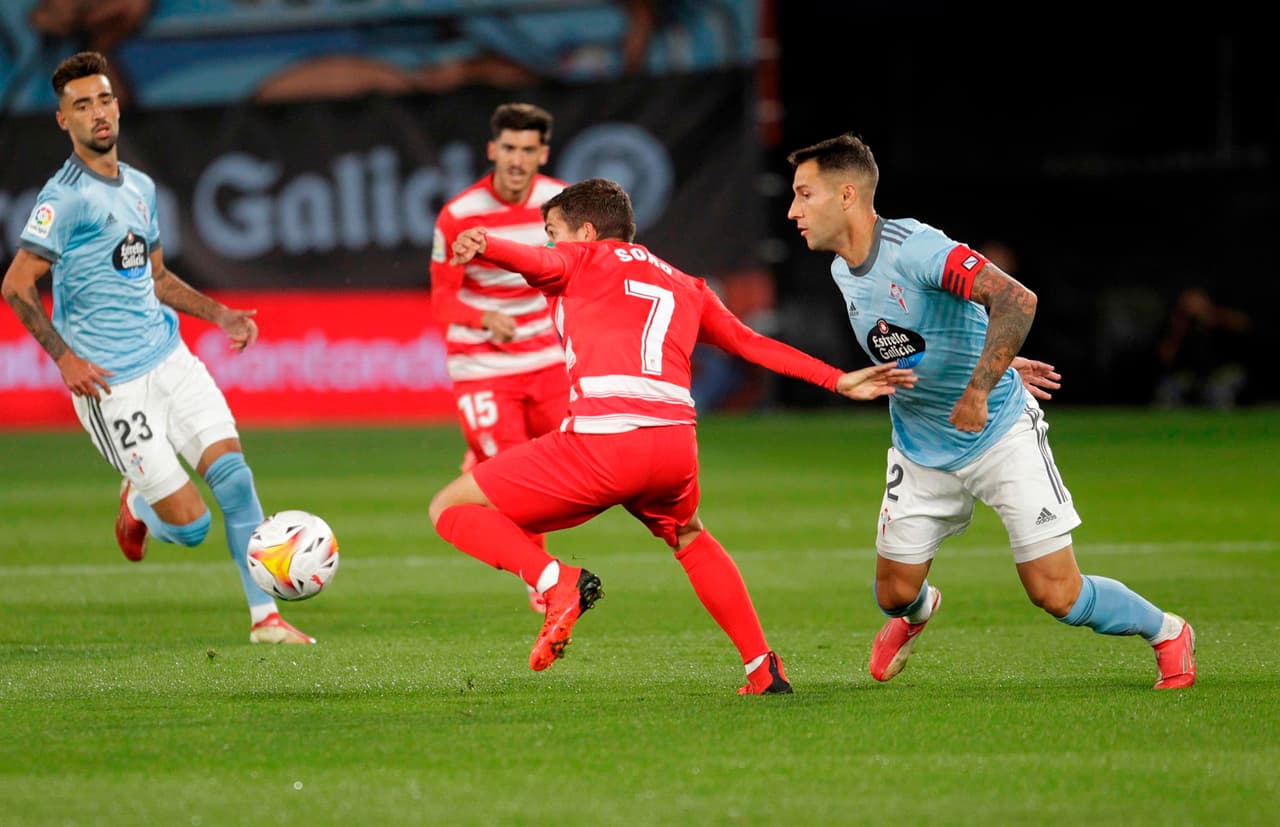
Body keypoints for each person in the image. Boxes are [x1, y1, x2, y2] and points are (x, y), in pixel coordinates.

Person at [429, 178, 918, 694]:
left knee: (454, 507)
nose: (549, 244)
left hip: (606, 442)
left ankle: (556, 582)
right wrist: (835, 378)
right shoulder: (687, 284)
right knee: (690, 538)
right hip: (673, 448)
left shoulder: (580, 259)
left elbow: (538, 262)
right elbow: (751, 344)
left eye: (553, 232)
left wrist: (487, 244)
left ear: (588, 232)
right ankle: (762, 667)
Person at [785, 133, 1196, 690]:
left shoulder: (918, 249)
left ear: (848, 195)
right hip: (921, 444)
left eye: (804, 195)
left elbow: (1015, 299)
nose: (793, 211)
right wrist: (996, 355)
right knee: (894, 594)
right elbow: (920, 336)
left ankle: (1168, 631)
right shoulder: (842, 270)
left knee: (1056, 593)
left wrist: (983, 384)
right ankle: (920, 611)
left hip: (997, 431)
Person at [1, 51, 312, 645]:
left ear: (118, 105)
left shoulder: (140, 186)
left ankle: (265, 619)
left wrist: (221, 315)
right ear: (62, 121)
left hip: (170, 358)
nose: (98, 113)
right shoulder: (63, 199)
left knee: (238, 481)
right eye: (82, 105)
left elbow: (158, 278)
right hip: (111, 384)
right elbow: (15, 286)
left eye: (105, 99)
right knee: (191, 528)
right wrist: (64, 357)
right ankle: (137, 509)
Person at [429, 102, 572, 614]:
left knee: (577, 466)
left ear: (542, 154)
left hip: (550, 362)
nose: (516, 159)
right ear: (492, 150)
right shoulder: (459, 215)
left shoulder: (559, 204)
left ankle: (479, 455)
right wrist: (484, 318)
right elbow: (442, 299)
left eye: (527, 149)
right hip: (483, 367)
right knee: (517, 486)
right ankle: (544, 581)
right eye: (508, 148)